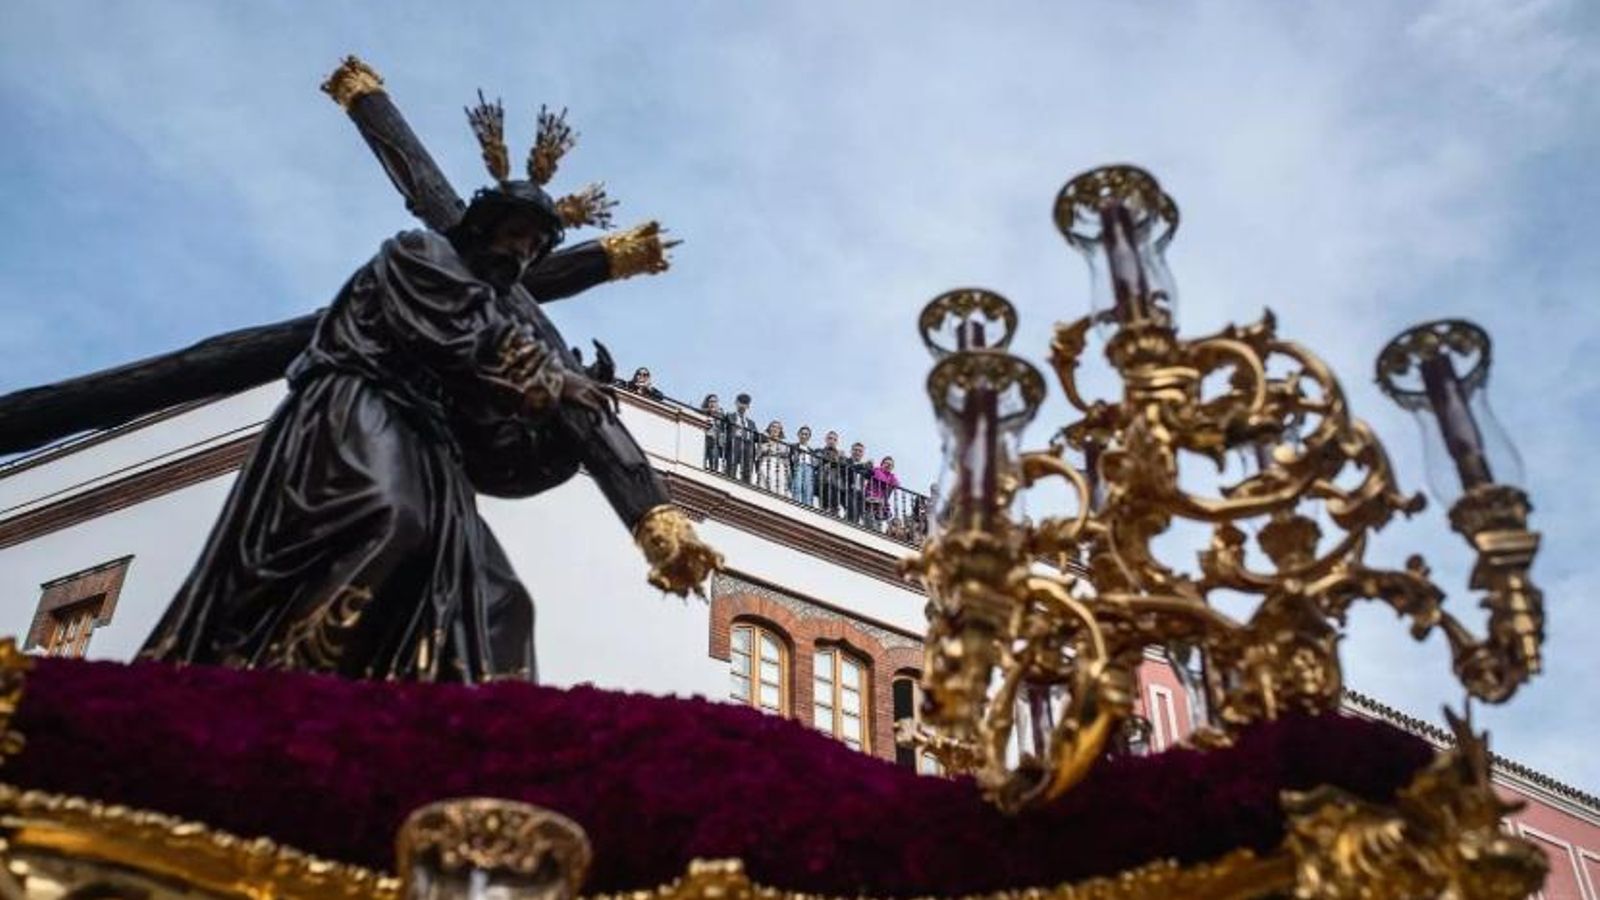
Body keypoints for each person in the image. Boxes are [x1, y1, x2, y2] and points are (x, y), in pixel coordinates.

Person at [138, 98, 720, 683]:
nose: (520, 253)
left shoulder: (494, 309)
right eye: (515, 235)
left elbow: (489, 444)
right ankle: (290, 690)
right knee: (389, 521)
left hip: (429, 447)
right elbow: (460, 334)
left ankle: (458, 746)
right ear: (482, 226)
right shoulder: (418, 255)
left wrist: (549, 438)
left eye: (532, 249)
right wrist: (553, 379)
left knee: (499, 601)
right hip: (354, 410)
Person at [725, 393, 756, 482]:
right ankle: (730, 478)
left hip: (747, 443)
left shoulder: (751, 423)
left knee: (747, 465)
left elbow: (756, 436)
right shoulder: (729, 416)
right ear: (736, 403)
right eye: (741, 402)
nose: (743, 405)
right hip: (735, 442)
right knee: (732, 463)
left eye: (745, 403)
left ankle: (746, 482)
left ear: (748, 406)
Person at [866, 455, 901, 531]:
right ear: (882, 464)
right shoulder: (877, 470)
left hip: (881, 503)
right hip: (871, 498)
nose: (888, 466)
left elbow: (897, 484)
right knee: (870, 520)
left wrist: (892, 480)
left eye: (890, 465)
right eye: (886, 463)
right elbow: (880, 477)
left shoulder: (891, 476)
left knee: (878, 523)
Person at [755, 419, 790, 493]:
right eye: (773, 427)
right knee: (764, 486)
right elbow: (758, 455)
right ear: (769, 429)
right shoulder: (763, 442)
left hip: (779, 466)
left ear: (780, 431)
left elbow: (786, 459)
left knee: (778, 488)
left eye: (778, 428)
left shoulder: (784, 445)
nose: (775, 429)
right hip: (765, 464)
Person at [816, 430, 845, 515]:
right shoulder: (820, 451)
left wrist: (841, 459)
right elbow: (817, 463)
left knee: (835, 508)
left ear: (837, 442)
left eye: (834, 439)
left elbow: (844, 468)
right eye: (830, 438)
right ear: (826, 439)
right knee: (824, 508)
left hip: (836, 483)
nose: (832, 441)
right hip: (823, 481)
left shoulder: (841, 455)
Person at [844, 442, 871, 525]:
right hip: (848, 490)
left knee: (863, 514)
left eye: (860, 451)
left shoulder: (865, 467)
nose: (857, 452)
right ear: (851, 451)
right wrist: (862, 466)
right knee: (852, 511)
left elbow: (870, 476)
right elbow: (848, 469)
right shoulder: (846, 461)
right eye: (855, 450)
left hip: (860, 493)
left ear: (863, 454)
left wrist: (871, 468)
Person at [790, 425, 817, 506]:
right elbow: (790, 459)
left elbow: (815, 464)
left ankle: (807, 506)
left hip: (809, 468)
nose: (804, 436)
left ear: (809, 437)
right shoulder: (793, 446)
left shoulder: (811, 450)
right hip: (798, 466)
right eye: (802, 434)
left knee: (808, 488)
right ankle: (796, 503)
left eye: (806, 434)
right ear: (798, 435)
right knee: (797, 486)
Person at [701, 394, 727, 473]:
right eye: (711, 401)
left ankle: (713, 470)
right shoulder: (704, 412)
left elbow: (723, 425)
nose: (713, 404)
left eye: (714, 402)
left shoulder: (720, 414)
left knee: (714, 456)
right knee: (703, 457)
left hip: (715, 440)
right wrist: (709, 411)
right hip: (705, 438)